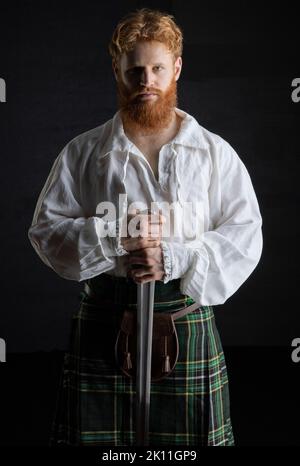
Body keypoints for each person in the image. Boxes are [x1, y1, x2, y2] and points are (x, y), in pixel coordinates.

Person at [27, 8, 263, 446]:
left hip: (185, 319)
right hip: (103, 321)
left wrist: (177, 257)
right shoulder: (83, 153)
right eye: (134, 70)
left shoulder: (214, 153)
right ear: (116, 70)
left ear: (176, 67)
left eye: (157, 68)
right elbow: (45, 230)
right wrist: (114, 237)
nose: (146, 81)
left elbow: (245, 234)